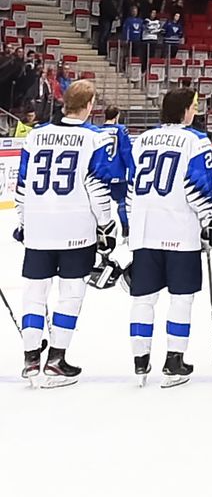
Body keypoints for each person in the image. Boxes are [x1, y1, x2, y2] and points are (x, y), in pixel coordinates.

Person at [11, 77, 116, 384]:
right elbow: (97, 189)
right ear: (89, 105)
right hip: (76, 229)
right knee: (70, 294)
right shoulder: (95, 138)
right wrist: (106, 225)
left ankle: (31, 358)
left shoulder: (36, 136)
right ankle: (56, 359)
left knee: (34, 293)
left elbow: (22, 185)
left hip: (39, 227)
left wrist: (24, 223)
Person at [126, 86, 212, 386]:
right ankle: (174, 361)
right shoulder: (196, 141)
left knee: (143, 299)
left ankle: (140, 361)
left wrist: (132, 223)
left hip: (145, 231)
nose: (196, 110)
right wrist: (210, 222)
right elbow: (199, 187)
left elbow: (131, 186)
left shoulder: (142, 139)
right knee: (181, 298)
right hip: (180, 231)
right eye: (194, 105)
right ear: (184, 110)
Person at [101, 104, 135, 239]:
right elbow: (126, 151)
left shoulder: (97, 131)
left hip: (100, 174)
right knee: (122, 201)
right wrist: (131, 168)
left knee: (99, 203)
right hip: (117, 173)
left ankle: (99, 230)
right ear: (117, 116)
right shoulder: (121, 130)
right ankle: (126, 229)